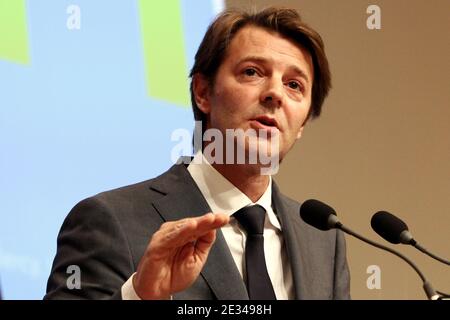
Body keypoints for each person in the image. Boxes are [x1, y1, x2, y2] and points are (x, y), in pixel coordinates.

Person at [44, 6, 350, 300]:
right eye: (252, 72)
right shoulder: (110, 220)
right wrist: (139, 296)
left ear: (303, 123)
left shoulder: (323, 240)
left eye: (294, 84)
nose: (275, 93)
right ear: (203, 92)